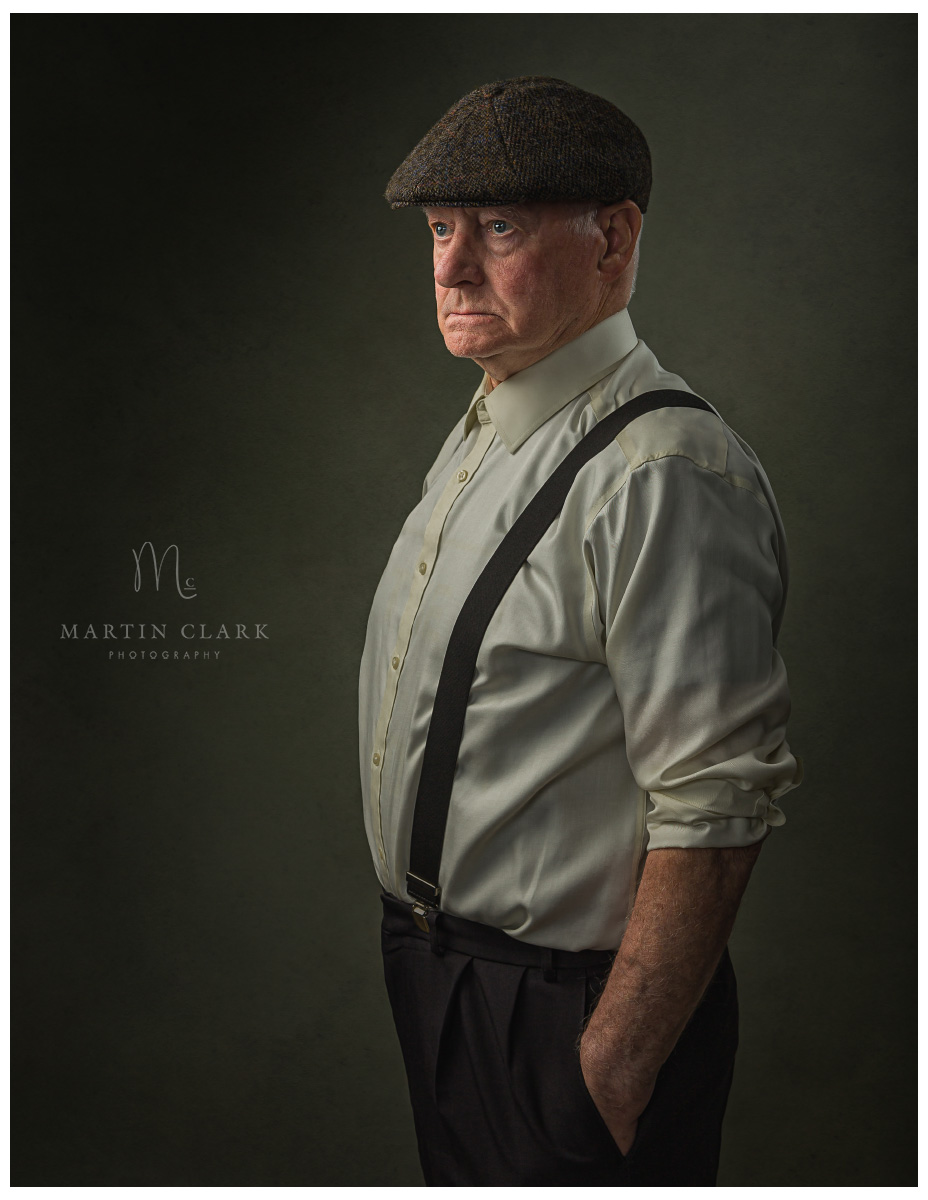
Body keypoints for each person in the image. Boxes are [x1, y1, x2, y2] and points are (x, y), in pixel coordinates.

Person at [358, 76, 801, 1186]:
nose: (451, 266)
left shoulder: (660, 474)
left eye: (498, 227)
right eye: (441, 228)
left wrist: (611, 1062)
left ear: (613, 238)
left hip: (567, 1016)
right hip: (446, 987)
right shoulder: (488, 431)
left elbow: (715, 795)